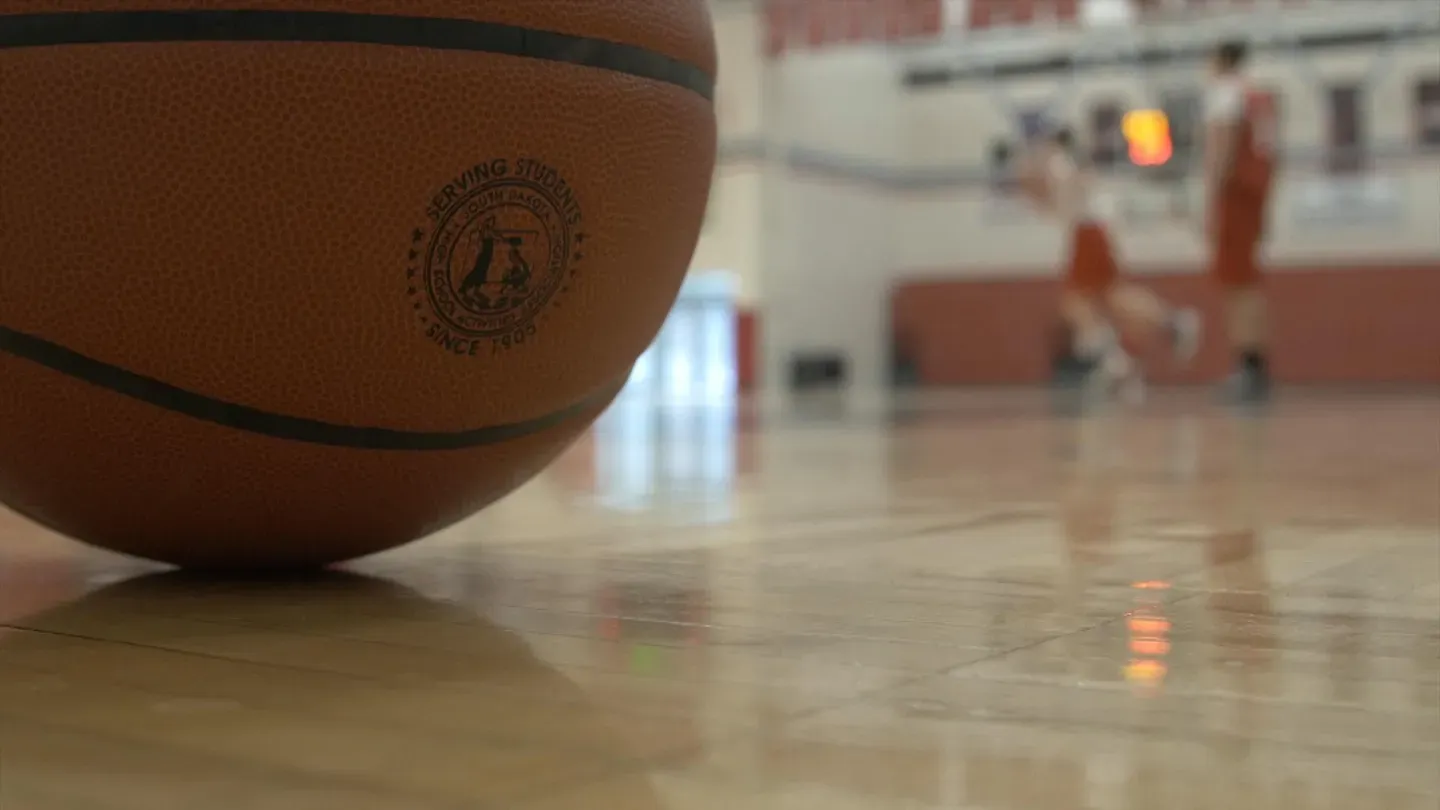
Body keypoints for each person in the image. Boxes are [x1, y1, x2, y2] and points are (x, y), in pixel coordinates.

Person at [1020, 126, 1200, 400]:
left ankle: (1121, 360)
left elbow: (1061, 191)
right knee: (1106, 297)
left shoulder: (1059, 163)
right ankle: (1158, 333)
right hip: (1089, 232)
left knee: (1079, 301)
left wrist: (1043, 184)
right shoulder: (1062, 165)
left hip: (1088, 232)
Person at [1204, 39, 1277, 403]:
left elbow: (1223, 147)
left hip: (1234, 196)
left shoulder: (1226, 93)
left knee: (1236, 285)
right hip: (1254, 196)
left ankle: (1247, 367)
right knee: (1247, 282)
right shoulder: (1257, 96)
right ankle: (1254, 364)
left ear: (1221, 60)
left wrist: (1211, 197)